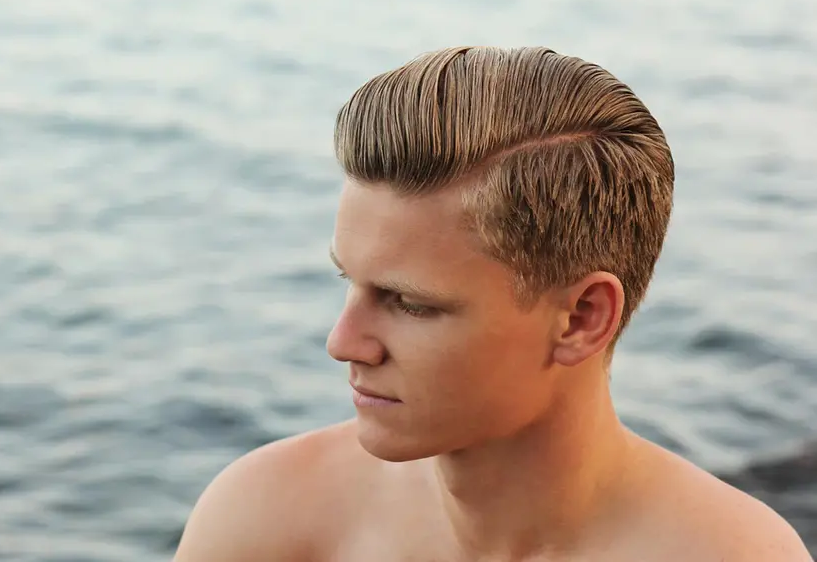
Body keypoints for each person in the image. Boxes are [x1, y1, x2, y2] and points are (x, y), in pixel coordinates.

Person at [173, 46, 811, 561]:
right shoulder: (268, 517)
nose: (344, 341)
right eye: (350, 281)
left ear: (582, 318)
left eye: (410, 304)